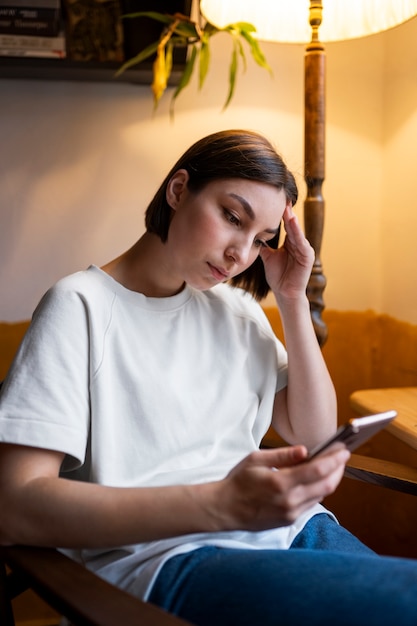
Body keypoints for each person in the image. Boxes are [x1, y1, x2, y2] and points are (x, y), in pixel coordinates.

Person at [1, 129, 417, 626]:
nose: (241, 254)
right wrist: (219, 505)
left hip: (292, 532)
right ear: (178, 190)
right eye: (232, 217)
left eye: (262, 240)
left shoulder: (239, 310)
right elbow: (15, 504)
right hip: (165, 559)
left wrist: (291, 299)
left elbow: (316, 435)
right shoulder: (80, 306)